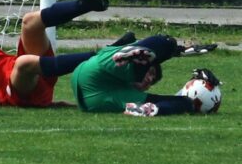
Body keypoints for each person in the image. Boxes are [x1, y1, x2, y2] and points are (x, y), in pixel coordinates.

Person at [71, 34, 218, 116]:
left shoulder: (126, 92)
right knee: (166, 43)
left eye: (151, 83)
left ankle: (147, 110)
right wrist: (178, 50)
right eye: (151, 74)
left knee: (184, 103)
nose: (148, 80)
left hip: (92, 98)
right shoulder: (127, 69)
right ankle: (130, 50)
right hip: (99, 69)